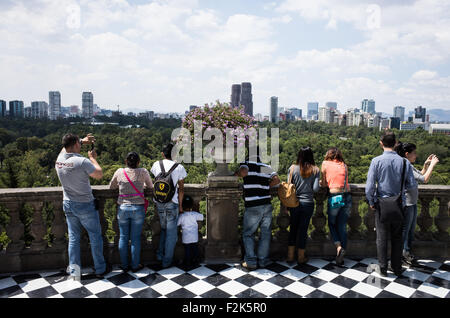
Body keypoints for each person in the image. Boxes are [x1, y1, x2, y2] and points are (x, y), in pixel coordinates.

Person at [55, 133, 109, 280]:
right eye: (78, 143)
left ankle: (74, 271)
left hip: (68, 203)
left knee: (73, 239)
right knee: (95, 237)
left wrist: (81, 141)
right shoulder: (82, 161)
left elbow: (64, 149)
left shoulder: (59, 160)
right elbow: (99, 174)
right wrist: (93, 159)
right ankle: (100, 268)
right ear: (76, 145)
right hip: (85, 204)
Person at [366, 132, 415, 277]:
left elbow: (369, 186)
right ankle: (396, 267)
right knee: (397, 237)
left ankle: (382, 267)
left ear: (381, 143)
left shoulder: (376, 161)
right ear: (395, 143)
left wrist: (372, 201)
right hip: (399, 204)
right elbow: (411, 184)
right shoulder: (404, 162)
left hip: (382, 204)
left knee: (381, 237)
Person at [394, 142, 439, 266]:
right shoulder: (405, 164)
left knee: (410, 230)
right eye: (414, 153)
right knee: (406, 230)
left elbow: (419, 175)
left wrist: (425, 165)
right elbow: (424, 179)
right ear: (407, 154)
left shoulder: (407, 163)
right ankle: (401, 255)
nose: (416, 155)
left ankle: (406, 253)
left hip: (411, 202)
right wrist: (433, 165)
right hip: (407, 203)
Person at [235, 150, 280, 270]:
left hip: (253, 204)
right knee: (265, 234)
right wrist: (266, 187)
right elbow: (277, 180)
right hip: (266, 203)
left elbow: (239, 174)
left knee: (248, 233)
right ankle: (263, 260)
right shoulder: (266, 167)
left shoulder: (245, 165)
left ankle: (250, 261)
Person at [109, 152, 153, 272]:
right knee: (135, 239)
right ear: (138, 162)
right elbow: (150, 187)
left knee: (123, 237)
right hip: (138, 208)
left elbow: (111, 187)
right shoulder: (143, 172)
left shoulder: (119, 172)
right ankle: (135, 265)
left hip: (123, 207)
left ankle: (124, 265)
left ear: (126, 162)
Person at [150, 143, 187, 268]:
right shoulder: (179, 167)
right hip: (173, 203)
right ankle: (167, 262)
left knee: (164, 230)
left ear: (162, 154)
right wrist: (181, 206)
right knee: (172, 235)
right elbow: (181, 189)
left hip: (159, 202)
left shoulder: (156, 164)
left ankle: (160, 255)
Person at [286, 147, 320, 265]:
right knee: (303, 230)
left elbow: (289, 187)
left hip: (294, 203)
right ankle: (301, 257)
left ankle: (290, 256)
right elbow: (315, 189)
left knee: (293, 228)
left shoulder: (292, 168)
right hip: (308, 204)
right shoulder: (315, 170)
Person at [320, 147, 352, 265]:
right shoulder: (344, 165)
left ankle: (339, 248)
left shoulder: (325, 163)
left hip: (335, 197)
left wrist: (322, 183)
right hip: (347, 196)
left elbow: (323, 184)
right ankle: (342, 256)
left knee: (332, 224)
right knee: (342, 226)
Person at [177, 195, 204, 270]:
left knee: (187, 250)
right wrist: (196, 210)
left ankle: (188, 263)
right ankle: (196, 261)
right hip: (194, 236)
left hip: (186, 237)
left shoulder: (182, 216)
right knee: (195, 248)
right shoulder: (194, 214)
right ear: (192, 205)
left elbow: (177, 223)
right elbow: (202, 217)